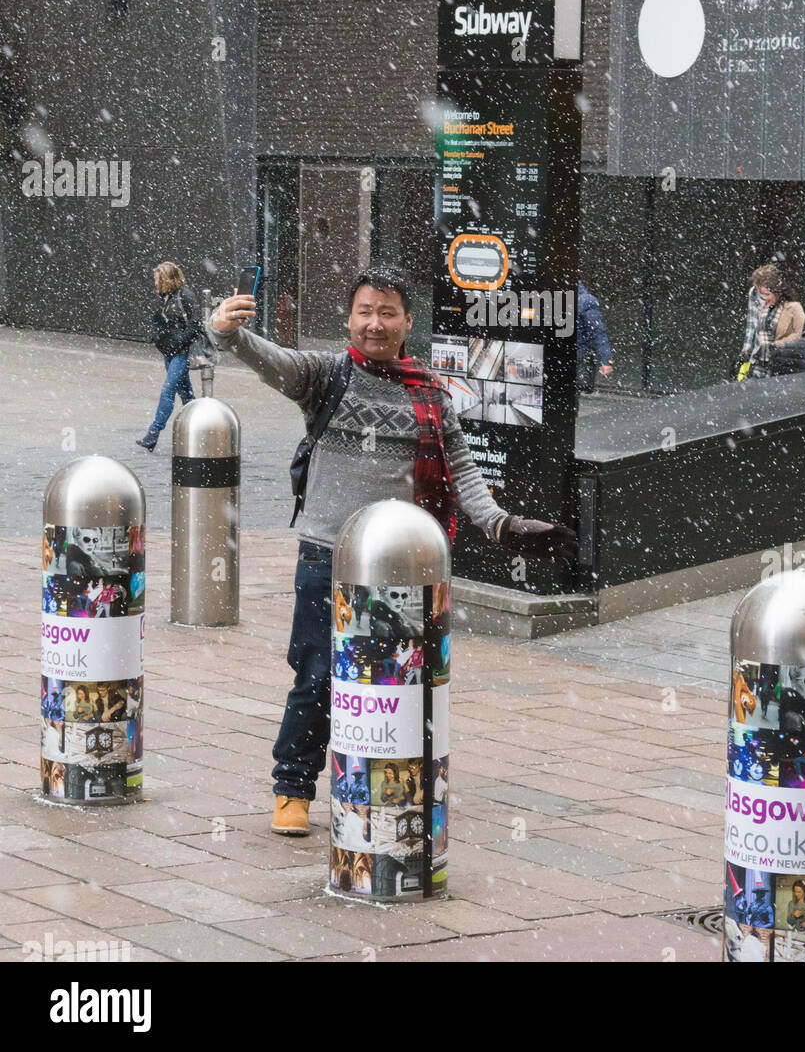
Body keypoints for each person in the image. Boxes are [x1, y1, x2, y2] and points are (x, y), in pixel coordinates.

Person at [208, 261, 577, 837]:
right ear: (349, 319)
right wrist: (227, 332)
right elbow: (269, 360)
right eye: (364, 312)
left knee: (399, 680)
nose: (374, 324)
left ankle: (388, 781)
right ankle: (293, 788)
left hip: (403, 567)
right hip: (327, 558)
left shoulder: (430, 393)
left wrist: (503, 525)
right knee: (318, 676)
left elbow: (463, 473)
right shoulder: (325, 375)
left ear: (407, 322)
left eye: (387, 313)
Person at [137, 262, 200, 451]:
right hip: (168, 352)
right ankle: (200, 424)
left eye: (157, 278)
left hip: (181, 352)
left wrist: (179, 341)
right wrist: (156, 336)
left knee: (168, 390)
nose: (154, 282)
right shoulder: (161, 298)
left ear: (166, 279)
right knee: (186, 394)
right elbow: (156, 321)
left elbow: (195, 324)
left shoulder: (185, 296)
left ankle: (153, 433)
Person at [748, 272, 804, 377]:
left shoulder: (794, 307)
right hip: (761, 362)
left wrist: (776, 345)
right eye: (762, 294)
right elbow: (759, 335)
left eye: (767, 294)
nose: (764, 298)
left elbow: (799, 334)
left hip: (785, 360)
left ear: (778, 293)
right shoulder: (764, 308)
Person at [576, 281, 614, 392]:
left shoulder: (584, 301)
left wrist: (605, 360)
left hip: (575, 356)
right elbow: (597, 332)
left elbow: (597, 332)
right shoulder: (584, 301)